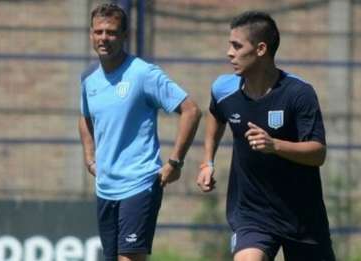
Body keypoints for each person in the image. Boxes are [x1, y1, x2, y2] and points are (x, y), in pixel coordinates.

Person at [196, 11, 335, 261]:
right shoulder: (224, 89)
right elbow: (216, 114)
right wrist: (208, 161)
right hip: (252, 214)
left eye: (237, 46)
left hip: (302, 218)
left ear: (261, 49)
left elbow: (318, 153)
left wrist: (275, 145)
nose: (229, 53)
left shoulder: (298, 94)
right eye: (230, 45)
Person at [78, 3, 201, 261]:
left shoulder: (143, 73)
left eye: (111, 32)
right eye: (98, 32)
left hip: (139, 182)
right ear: (91, 34)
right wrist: (90, 158)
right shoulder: (89, 79)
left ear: (124, 35)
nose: (104, 38)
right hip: (105, 187)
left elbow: (191, 111)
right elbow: (85, 116)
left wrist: (175, 162)